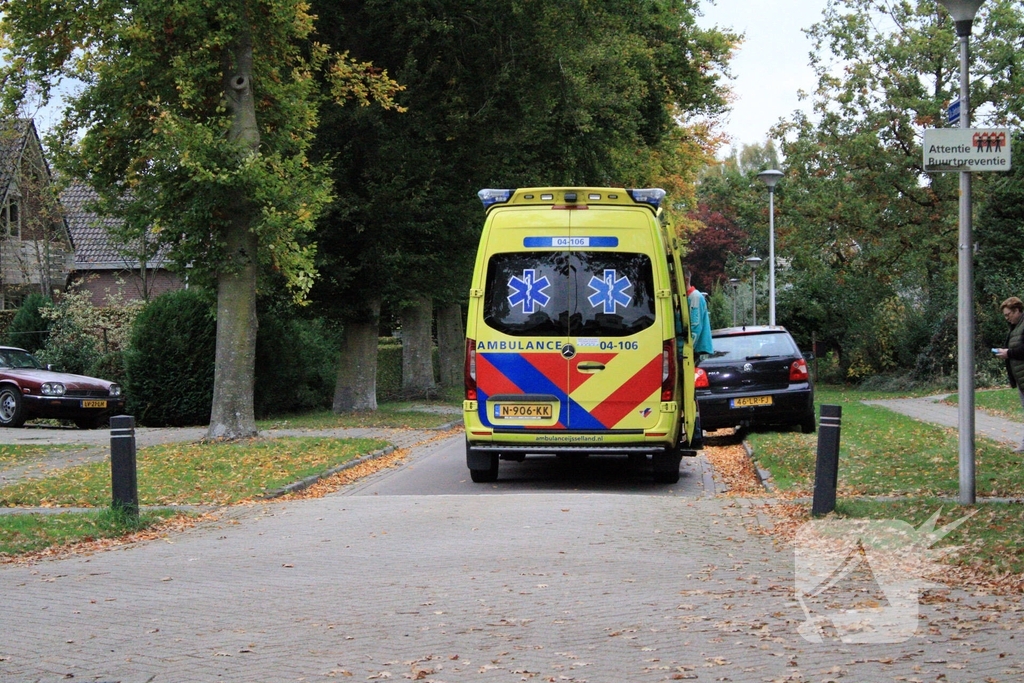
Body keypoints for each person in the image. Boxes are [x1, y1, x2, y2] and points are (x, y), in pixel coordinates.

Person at [995, 296, 1024, 453]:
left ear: (1017, 310)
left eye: (1008, 315)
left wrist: (1009, 353)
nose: (1007, 318)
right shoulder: (1015, 327)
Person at [684, 266, 713, 363]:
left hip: (697, 351)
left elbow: (695, 327)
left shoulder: (695, 297)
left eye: (674, 281)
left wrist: (685, 350)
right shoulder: (687, 297)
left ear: (686, 279)